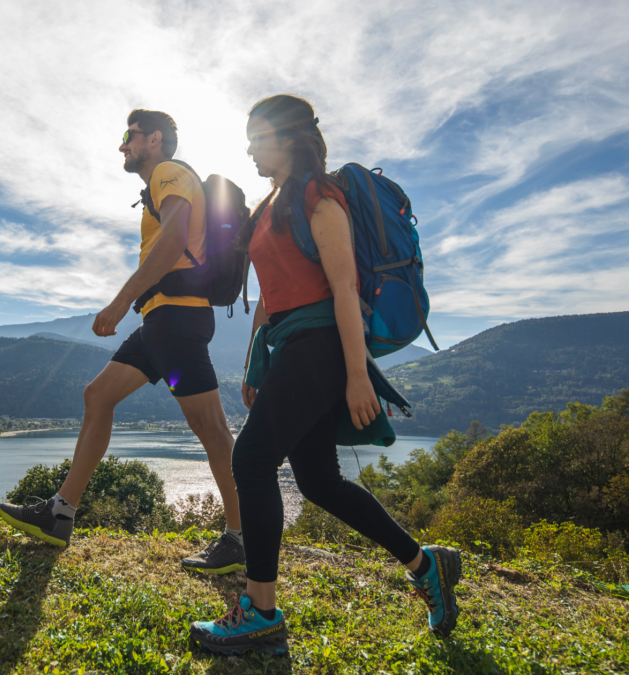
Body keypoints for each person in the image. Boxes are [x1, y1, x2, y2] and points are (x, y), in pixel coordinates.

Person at [189, 95, 461, 656]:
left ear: (289, 139)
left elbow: (344, 289)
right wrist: (254, 362)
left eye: (258, 137)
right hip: (292, 345)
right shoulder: (271, 205)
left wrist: (358, 375)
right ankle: (425, 563)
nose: (249, 148)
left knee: (252, 460)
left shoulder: (319, 194)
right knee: (317, 482)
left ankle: (260, 612)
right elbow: (271, 296)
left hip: (323, 346)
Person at [0, 109, 246, 574]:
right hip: (160, 324)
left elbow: (172, 241)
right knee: (98, 395)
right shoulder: (161, 181)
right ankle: (59, 514)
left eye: (128, 137)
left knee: (211, 428)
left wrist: (118, 304)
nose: (122, 146)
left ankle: (240, 537)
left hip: (175, 320)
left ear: (154, 139)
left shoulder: (169, 173)